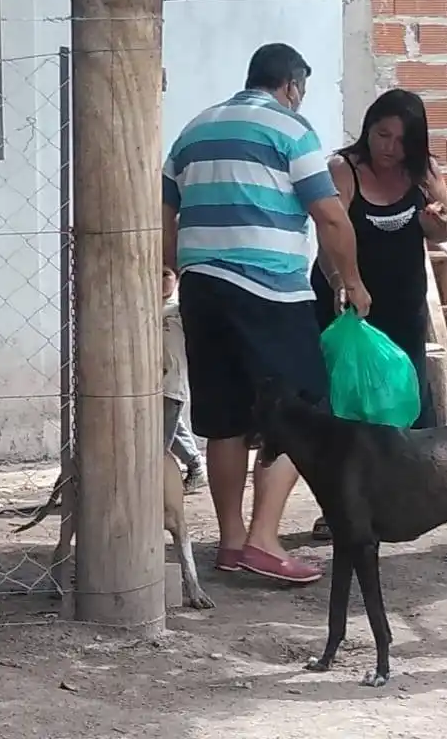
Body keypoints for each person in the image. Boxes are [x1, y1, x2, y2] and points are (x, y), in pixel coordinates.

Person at [161, 42, 371, 585]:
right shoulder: (290, 129)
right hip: (269, 293)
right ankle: (263, 540)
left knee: (223, 418)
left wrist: (178, 267)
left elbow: (165, 212)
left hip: (202, 288)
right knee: (303, 412)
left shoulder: (194, 130)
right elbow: (329, 215)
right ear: (293, 84)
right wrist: (350, 281)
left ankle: (231, 542)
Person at [308, 88, 447, 541]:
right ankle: (339, 506)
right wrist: (342, 282)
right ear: (368, 129)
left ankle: (399, 499)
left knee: (401, 397)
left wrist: (437, 223)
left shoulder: (423, 172)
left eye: (401, 139)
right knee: (346, 404)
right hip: (349, 302)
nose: (389, 148)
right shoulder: (344, 169)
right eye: (382, 134)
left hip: (403, 300)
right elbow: (329, 234)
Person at [161, 266, 206, 492]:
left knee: (159, 441)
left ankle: (156, 484)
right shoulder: (149, 309)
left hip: (172, 384)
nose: (159, 281)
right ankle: (196, 467)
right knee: (173, 428)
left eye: (165, 274)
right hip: (154, 385)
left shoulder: (178, 310)